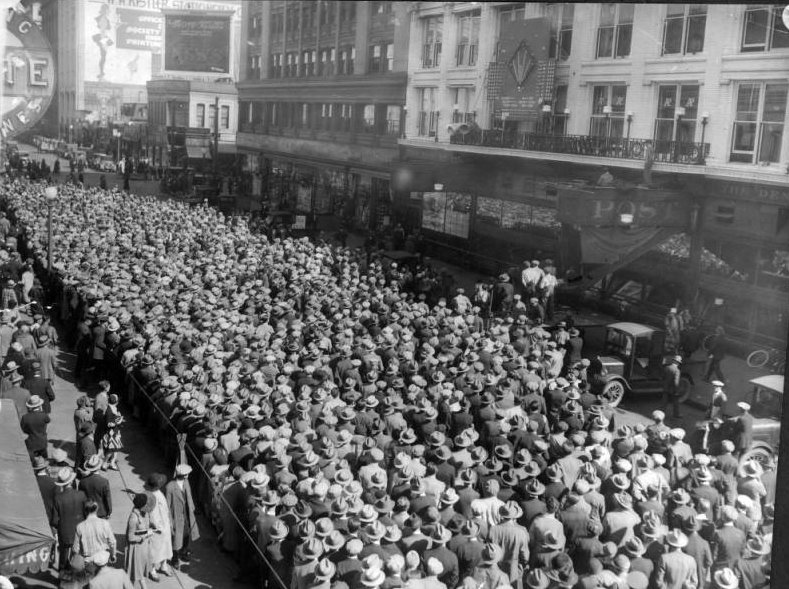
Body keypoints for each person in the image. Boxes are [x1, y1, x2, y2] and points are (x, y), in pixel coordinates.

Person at [52, 467, 87, 571]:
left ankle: (62, 577)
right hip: (79, 531)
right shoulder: (81, 495)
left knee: (63, 556)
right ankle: (74, 576)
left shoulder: (58, 498)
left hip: (64, 532)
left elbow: (54, 520)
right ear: (72, 481)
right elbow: (86, 513)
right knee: (76, 556)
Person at [165, 463, 199, 565]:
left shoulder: (186, 482)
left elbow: (189, 496)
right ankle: (174, 558)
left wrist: (192, 509)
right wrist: (170, 521)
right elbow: (167, 505)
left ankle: (184, 552)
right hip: (176, 516)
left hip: (187, 515)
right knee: (176, 538)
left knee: (186, 535)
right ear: (185, 475)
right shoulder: (170, 487)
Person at [145, 473, 174, 576]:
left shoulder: (159, 493)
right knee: (154, 550)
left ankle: (164, 565)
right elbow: (152, 514)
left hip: (165, 525)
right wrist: (157, 526)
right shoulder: (150, 496)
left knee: (165, 548)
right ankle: (152, 570)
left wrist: (169, 523)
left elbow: (165, 510)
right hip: (157, 528)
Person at [126, 492, 157, 586]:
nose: (147, 506)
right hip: (136, 550)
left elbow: (146, 525)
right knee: (134, 576)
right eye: (145, 504)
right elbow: (130, 537)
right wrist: (145, 535)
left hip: (144, 548)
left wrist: (152, 526)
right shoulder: (134, 518)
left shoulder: (144, 513)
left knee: (140, 575)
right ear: (141, 505)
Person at [72, 500, 116, 564]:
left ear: (84, 511)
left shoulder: (80, 527)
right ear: (96, 509)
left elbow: (75, 549)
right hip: (102, 559)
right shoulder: (104, 523)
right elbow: (112, 542)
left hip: (87, 561)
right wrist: (113, 555)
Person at [78, 454, 112, 519]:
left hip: (88, 512)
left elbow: (81, 498)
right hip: (102, 512)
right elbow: (107, 498)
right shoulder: (104, 481)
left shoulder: (83, 481)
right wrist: (109, 511)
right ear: (99, 467)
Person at [662, 355, 683, 419]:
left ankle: (661, 414)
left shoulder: (667, 367)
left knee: (664, 402)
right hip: (672, 390)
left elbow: (663, 377)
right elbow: (676, 382)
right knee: (675, 403)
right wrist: (676, 391)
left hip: (665, 388)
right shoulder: (677, 371)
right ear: (678, 363)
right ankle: (676, 414)